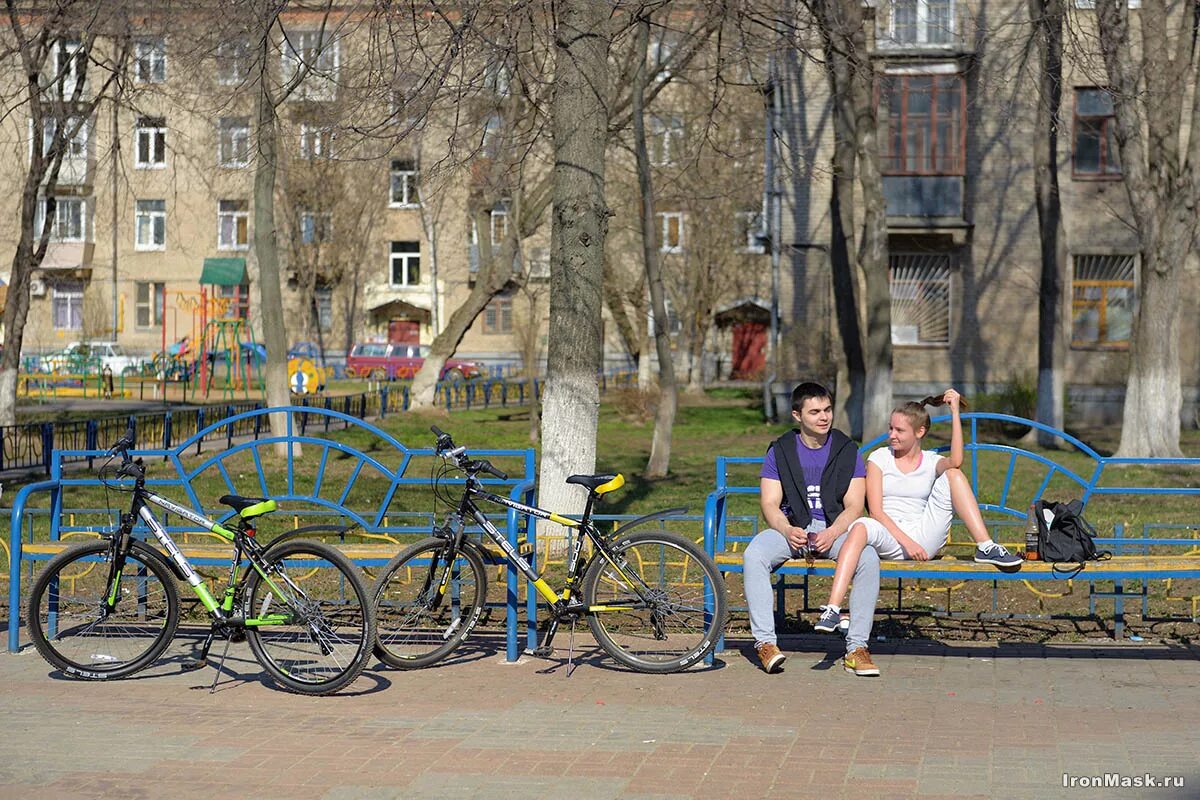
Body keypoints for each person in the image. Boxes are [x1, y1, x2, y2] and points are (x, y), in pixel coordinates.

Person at [811, 389, 1024, 661]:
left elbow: (957, 460)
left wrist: (956, 411)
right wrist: (906, 543)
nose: (892, 435)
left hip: (924, 535)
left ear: (920, 432)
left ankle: (985, 546)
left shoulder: (932, 461)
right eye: (890, 428)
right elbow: (876, 511)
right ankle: (832, 609)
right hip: (890, 534)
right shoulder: (879, 459)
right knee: (861, 524)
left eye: (899, 430)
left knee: (954, 474)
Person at [743, 381, 876, 675]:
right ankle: (765, 644)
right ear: (797, 415)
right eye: (815, 411)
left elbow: (855, 505)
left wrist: (833, 532)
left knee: (867, 558)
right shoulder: (780, 451)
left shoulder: (846, 449)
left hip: (836, 530)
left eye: (827, 409)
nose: (824, 417)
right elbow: (769, 503)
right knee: (754, 555)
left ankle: (857, 648)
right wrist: (786, 529)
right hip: (792, 529)